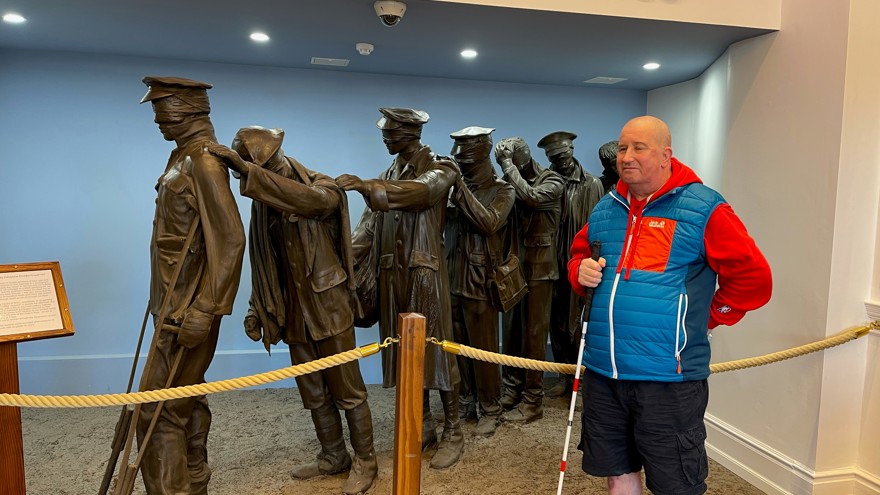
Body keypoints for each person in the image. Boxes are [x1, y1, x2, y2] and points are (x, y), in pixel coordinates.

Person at [569, 116, 772, 495]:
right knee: (618, 472)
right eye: (623, 147)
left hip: (668, 379)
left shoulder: (704, 208)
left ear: (666, 155)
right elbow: (579, 258)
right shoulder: (606, 208)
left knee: (675, 484)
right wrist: (578, 271)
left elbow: (754, 280)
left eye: (639, 147)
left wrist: (706, 317)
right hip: (604, 372)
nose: (626, 156)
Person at [207, 126, 378, 494]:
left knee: (348, 389)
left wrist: (250, 173)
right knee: (313, 390)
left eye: (247, 171)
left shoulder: (322, 186)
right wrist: (257, 307)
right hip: (293, 311)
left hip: (328, 306)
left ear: (270, 163)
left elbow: (311, 201)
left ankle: (366, 460)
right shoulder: (263, 205)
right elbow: (265, 263)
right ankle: (334, 455)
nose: (244, 179)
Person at [337, 107, 464, 469]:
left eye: (391, 133)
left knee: (438, 351)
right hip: (392, 274)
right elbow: (368, 230)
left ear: (411, 133)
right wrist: (342, 258)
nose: (385, 138)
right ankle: (422, 423)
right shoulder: (389, 173)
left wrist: (366, 186)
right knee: (407, 353)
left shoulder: (442, 167)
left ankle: (454, 429)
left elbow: (421, 194)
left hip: (424, 272)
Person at [138, 76, 246, 495]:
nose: (157, 121)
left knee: (155, 410)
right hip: (169, 302)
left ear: (187, 109)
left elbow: (231, 238)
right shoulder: (179, 157)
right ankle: (195, 477)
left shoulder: (202, 162)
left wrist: (206, 308)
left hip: (188, 307)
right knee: (187, 394)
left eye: (161, 111)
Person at [444, 126, 515, 437]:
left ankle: (491, 406)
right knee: (456, 347)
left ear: (483, 158)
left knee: (483, 350)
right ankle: (466, 400)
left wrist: (459, 188)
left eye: (467, 164)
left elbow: (489, 223)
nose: (462, 168)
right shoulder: (454, 189)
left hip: (480, 281)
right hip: (452, 277)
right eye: (460, 164)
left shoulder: (503, 190)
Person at [493, 136, 564, 423]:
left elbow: (531, 198)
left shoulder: (553, 180)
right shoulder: (511, 179)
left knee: (534, 335)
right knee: (511, 332)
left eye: (511, 159)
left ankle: (533, 400)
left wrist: (507, 166)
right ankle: (512, 389)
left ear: (522, 157)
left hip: (541, 270)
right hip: (514, 267)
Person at [537, 131, 604, 399]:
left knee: (575, 323)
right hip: (551, 263)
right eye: (555, 157)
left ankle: (583, 381)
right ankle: (565, 378)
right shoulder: (546, 182)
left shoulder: (591, 184)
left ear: (572, 151)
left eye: (564, 155)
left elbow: (597, 227)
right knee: (556, 321)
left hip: (578, 264)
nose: (562, 161)